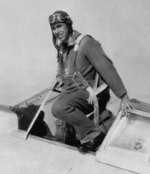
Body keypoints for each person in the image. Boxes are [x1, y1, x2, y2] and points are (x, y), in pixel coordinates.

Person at [48, 10, 134, 150]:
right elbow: (63, 68)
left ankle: (92, 134)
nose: (56, 31)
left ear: (68, 25)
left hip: (90, 95)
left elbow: (107, 69)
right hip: (72, 92)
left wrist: (123, 96)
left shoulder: (86, 43)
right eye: (53, 28)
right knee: (59, 113)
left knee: (58, 107)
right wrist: (58, 78)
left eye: (59, 26)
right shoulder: (63, 47)